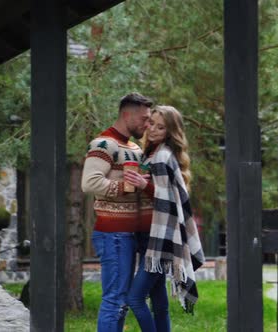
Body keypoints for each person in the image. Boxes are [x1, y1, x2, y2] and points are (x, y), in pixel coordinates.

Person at [125, 105, 205, 331]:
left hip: (157, 239)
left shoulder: (161, 156)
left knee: (135, 299)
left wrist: (145, 185)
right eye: (151, 123)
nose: (152, 130)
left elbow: (168, 199)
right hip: (151, 235)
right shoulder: (153, 153)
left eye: (161, 127)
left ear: (170, 132)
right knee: (159, 303)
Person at [81, 92, 153, 332]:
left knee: (121, 302)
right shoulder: (103, 144)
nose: (147, 124)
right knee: (114, 300)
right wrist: (125, 186)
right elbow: (89, 183)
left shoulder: (134, 147)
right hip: (113, 234)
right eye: (143, 118)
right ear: (126, 114)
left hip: (130, 235)